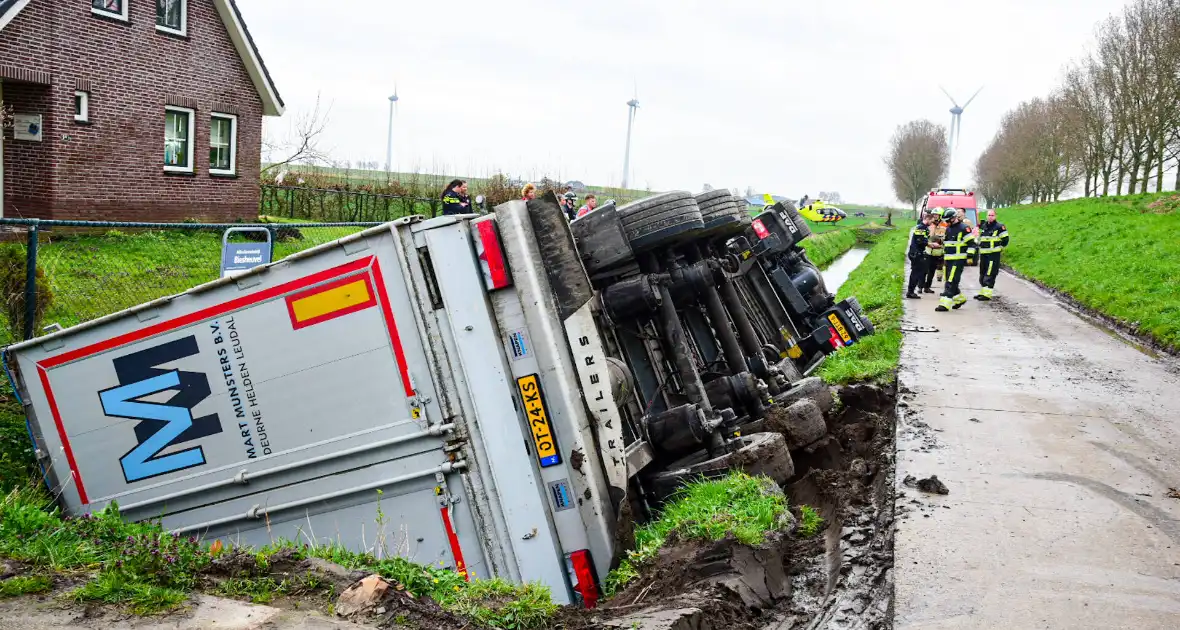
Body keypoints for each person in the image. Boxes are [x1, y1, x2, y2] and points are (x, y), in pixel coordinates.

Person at [936, 208, 977, 312]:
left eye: (948, 220)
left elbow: (972, 244)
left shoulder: (964, 228)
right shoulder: (949, 229)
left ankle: (944, 304)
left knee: (951, 281)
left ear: (954, 218)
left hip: (958, 260)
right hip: (948, 259)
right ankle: (960, 299)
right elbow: (948, 243)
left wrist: (970, 257)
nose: (946, 222)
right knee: (949, 279)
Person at [974, 209, 1009, 301]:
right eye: (989, 215)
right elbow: (978, 226)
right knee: (982, 274)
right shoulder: (984, 226)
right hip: (984, 255)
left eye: (992, 215)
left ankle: (987, 295)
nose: (990, 217)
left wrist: (1000, 247)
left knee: (989, 274)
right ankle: (982, 292)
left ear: (995, 216)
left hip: (993, 255)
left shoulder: (1000, 227)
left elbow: (1005, 240)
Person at [905, 213, 931, 299]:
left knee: (918, 272)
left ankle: (911, 291)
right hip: (916, 254)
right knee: (916, 273)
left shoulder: (923, 227)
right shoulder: (921, 228)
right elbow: (920, 241)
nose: (932, 222)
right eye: (931, 220)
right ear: (927, 219)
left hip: (917, 253)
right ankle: (910, 292)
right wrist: (930, 244)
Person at [922, 209, 945, 293]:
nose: (935, 216)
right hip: (928, 251)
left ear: (940, 215)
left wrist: (941, 241)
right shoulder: (929, 225)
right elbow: (924, 237)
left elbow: (947, 237)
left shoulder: (945, 225)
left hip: (938, 252)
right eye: (934, 214)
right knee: (924, 270)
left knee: (932, 271)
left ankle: (927, 287)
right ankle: (921, 286)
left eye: (937, 214)